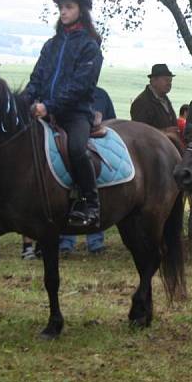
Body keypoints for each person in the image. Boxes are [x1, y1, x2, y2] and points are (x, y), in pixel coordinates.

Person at [25, 0, 103, 228]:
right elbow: (36, 78)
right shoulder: (51, 45)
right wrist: (25, 101)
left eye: (69, 6)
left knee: (78, 149)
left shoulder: (90, 48)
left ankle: (91, 203)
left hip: (75, 115)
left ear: (82, 9)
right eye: (61, 7)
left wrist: (49, 106)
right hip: (44, 112)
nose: (64, 12)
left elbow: (80, 87)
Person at [59, 85, 116, 255]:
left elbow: (111, 120)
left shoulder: (102, 95)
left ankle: (95, 241)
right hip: (69, 139)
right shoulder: (65, 92)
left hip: (94, 145)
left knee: (94, 188)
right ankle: (66, 241)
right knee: (68, 188)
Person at [130, 64, 177, 130]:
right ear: (154, 81)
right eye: (166, 80)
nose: (169, 83)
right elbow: (140, 132)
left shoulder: (164, 99)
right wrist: (165, 132)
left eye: (170, 80)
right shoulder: (141, 102)